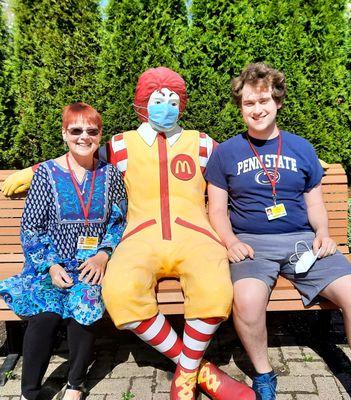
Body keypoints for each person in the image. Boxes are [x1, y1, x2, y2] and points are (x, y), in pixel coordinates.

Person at [2, 68, 257, 400]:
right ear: (142, 103)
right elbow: (80, 159)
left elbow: (240, 163)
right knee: (120, 291)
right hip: (139, 236)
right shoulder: (122, 145)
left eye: (172, 99)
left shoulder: (203, 143)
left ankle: (184, 376)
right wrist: (32, 170)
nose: (165, 106)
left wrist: (299, 160)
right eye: (156, 99)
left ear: (181, 104)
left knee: (215, 286)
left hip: (197, 234)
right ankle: (197, 368)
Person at [205, 62, 351, 400]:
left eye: (264, 101)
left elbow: (315, 204)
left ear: (278, 101)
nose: (257, 109)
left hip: (303, 240)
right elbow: (216, 210)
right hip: (252, 245)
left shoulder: (301, 148)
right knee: (247, 302)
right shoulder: (225, 153)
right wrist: (230, 242)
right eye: (249, 103)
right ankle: (264, 373)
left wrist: (324, 233)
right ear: (241, 107)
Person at [0, 103, 127, 400]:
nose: (84, 137)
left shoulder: (110, 175)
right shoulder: (45, 173)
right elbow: (31, 227)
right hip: (50, 264)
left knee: (87, 300)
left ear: (99, 135)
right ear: (64, 133)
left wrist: (103, 255)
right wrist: (50, 266)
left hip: (90, 263)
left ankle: (75, 384)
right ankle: (29, 392)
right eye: (76, 130)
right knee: (45, 315)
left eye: (92, 131)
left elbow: (119, 221)